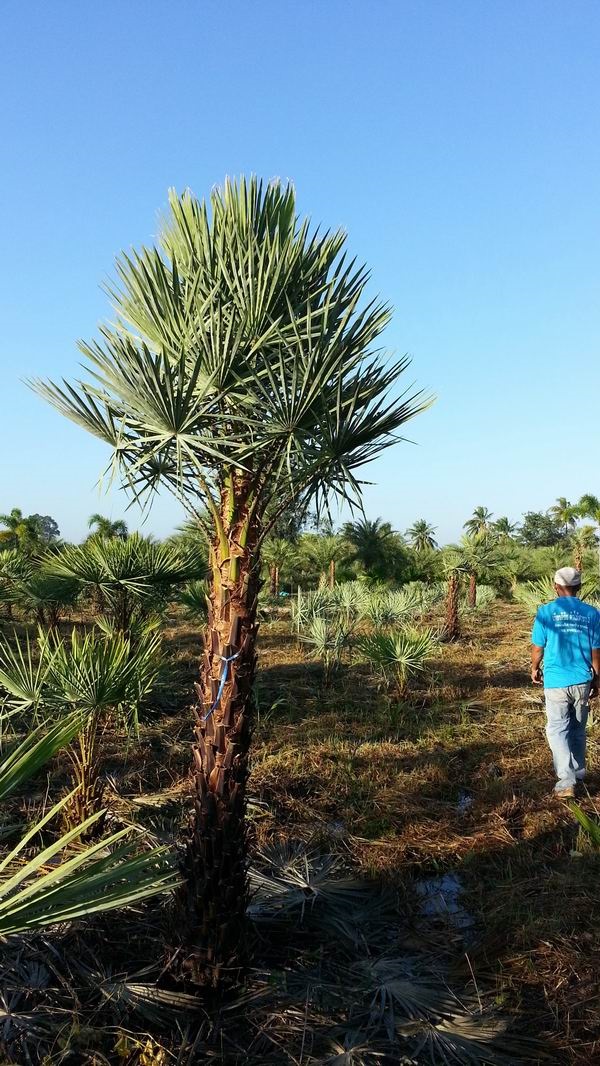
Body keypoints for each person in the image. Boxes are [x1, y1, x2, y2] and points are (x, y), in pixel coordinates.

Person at [531, 567, 600, 798]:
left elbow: (538, 647)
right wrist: (597, 679)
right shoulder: (591, 613)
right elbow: (595, 651)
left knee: (558, 730)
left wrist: (534, 667)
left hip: (556, 681)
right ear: (579, 587)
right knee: (578, 729)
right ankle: (579, 773)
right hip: (582, 679)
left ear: (556, 587)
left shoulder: (545, 612)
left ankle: (566, 781)